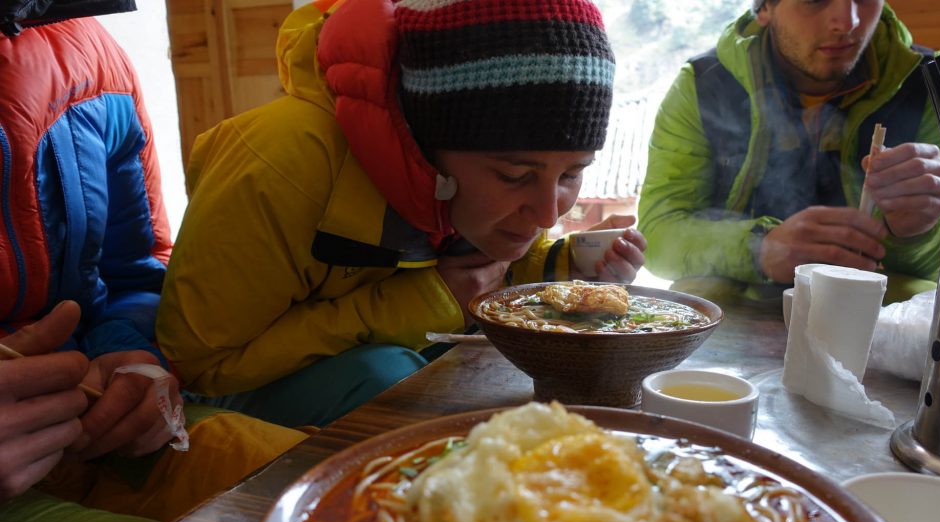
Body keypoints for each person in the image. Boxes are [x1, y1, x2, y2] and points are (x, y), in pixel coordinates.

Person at [156, 0, 648, 429]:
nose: (546, 214)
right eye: (515, 175)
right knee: (395, 381)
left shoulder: (474, 184)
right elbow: (202, 365)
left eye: (571, 174)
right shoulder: (279, 164)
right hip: (226, 393)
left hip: (375, 352)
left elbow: (487, 271)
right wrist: (423, 302)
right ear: (426, 143)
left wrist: (568, 271)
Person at [0, 1, 307, 522]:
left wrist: (132, 354)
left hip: (98, 431)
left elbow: (132, 268)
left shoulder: (91, 59)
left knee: (329, 496)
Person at [637, 0, 940, 303]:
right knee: (702, 291)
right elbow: (657, 237)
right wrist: (759, 248)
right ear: (765, 7)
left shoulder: (931, 85)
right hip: (738, 307)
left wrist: (916, 232)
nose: (847, 22)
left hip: (879, 312)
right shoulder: (704, 85)